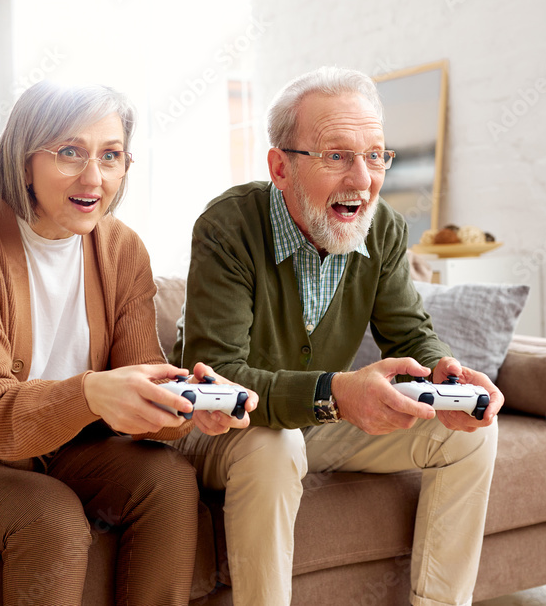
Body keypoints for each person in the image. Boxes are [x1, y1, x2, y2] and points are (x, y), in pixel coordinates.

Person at [0, 81, 257, 606]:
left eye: (111, 156)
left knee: (169, 482)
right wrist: (90, 393)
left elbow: (139, 377)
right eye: (70, 152)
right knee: (51, 518)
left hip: (67, 450)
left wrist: (184, 405)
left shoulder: (122, 249)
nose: (94, 177)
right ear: (24, 162)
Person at [170, 66, 502, 606]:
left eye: (375, 155)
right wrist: (336, 394)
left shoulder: (386, 228)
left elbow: (409, 333)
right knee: (275, 443)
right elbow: (221, 375)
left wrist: (445, 372)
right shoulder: (227, 226)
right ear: (281, 167)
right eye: (336, 155)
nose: (363, 179)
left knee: (471, 433)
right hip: (225, 425)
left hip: (316, 424)